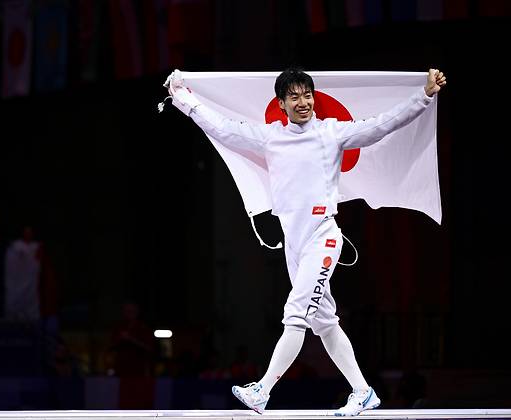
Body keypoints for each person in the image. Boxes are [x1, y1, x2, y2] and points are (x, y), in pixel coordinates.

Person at [165, 67, 446, 415]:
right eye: (294, 96)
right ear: (281, 103)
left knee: (295, 315)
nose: (303, 102)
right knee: (325, 323)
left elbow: (382, 124)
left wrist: (424, 95)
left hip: (323, 239)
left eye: (307, 94)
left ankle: (263, 390)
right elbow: (221, 127)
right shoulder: (270, 138)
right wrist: (182, 99)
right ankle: (363, 391)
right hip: (295, 246)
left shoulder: (331, 133)